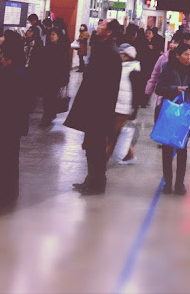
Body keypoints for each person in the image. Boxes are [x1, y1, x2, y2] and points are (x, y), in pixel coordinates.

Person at [64, 19, 122, 196]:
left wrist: (103, 108)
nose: (100, 24)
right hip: (92, 104)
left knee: (96, 146)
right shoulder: (100, 46)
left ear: (109, 31)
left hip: (100, 107)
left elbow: (109, 85)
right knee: (90, 145)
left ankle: (98, 183)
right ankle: (91, 179)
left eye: (103, 24)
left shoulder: (111, 52)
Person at [0, 40, 29, 206]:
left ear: (10, 59)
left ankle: (1, 192)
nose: (1, 60)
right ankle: (9, 191)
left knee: (2, 159)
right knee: (10, 158)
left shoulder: (11, 74)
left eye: (4, 58)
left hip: (4, 125)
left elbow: (4, 100)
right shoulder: (21, 72)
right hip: (14, 125)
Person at [155, 44, 190, 195]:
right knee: (167, 149)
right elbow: (159, 88)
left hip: (185, 113)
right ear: (177, 55)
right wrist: (174, 89)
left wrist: (189, 99)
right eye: (186, 54)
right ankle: (168, 183)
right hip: (170, 111)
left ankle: (180, 183)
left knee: (182, 148)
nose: (189, 57)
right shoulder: (167, 67)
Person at [106, 44, 140, 164]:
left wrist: (134, 109)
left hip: (124, 108)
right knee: (115, 132)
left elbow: (137, 92)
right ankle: (130, 156)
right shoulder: (119, 66)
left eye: (123, 54)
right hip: (116, 105)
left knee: (113, 135)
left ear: (128, 56)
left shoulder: (134, 69)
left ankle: (102, 163)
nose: (120, 56)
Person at [144, 31, 183, 115]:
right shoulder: (163, 58)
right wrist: (149, 90)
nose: (172, 44)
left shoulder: (185, 60)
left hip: (180, 100)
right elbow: (155, 74)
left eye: (175, 43)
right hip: (163, 97)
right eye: (172, 42)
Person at [40, 28, 71, 127]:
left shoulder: (62, 49)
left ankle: (46, 118)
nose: (51, 36)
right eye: (51, 34)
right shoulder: (48, 47)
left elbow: (66, 65)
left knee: (50, 98)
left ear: (58, 36)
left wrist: (65, 78)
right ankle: (50, 115)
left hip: (56, 78)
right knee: (48, 98)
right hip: (47, 77)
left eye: (54, 34)